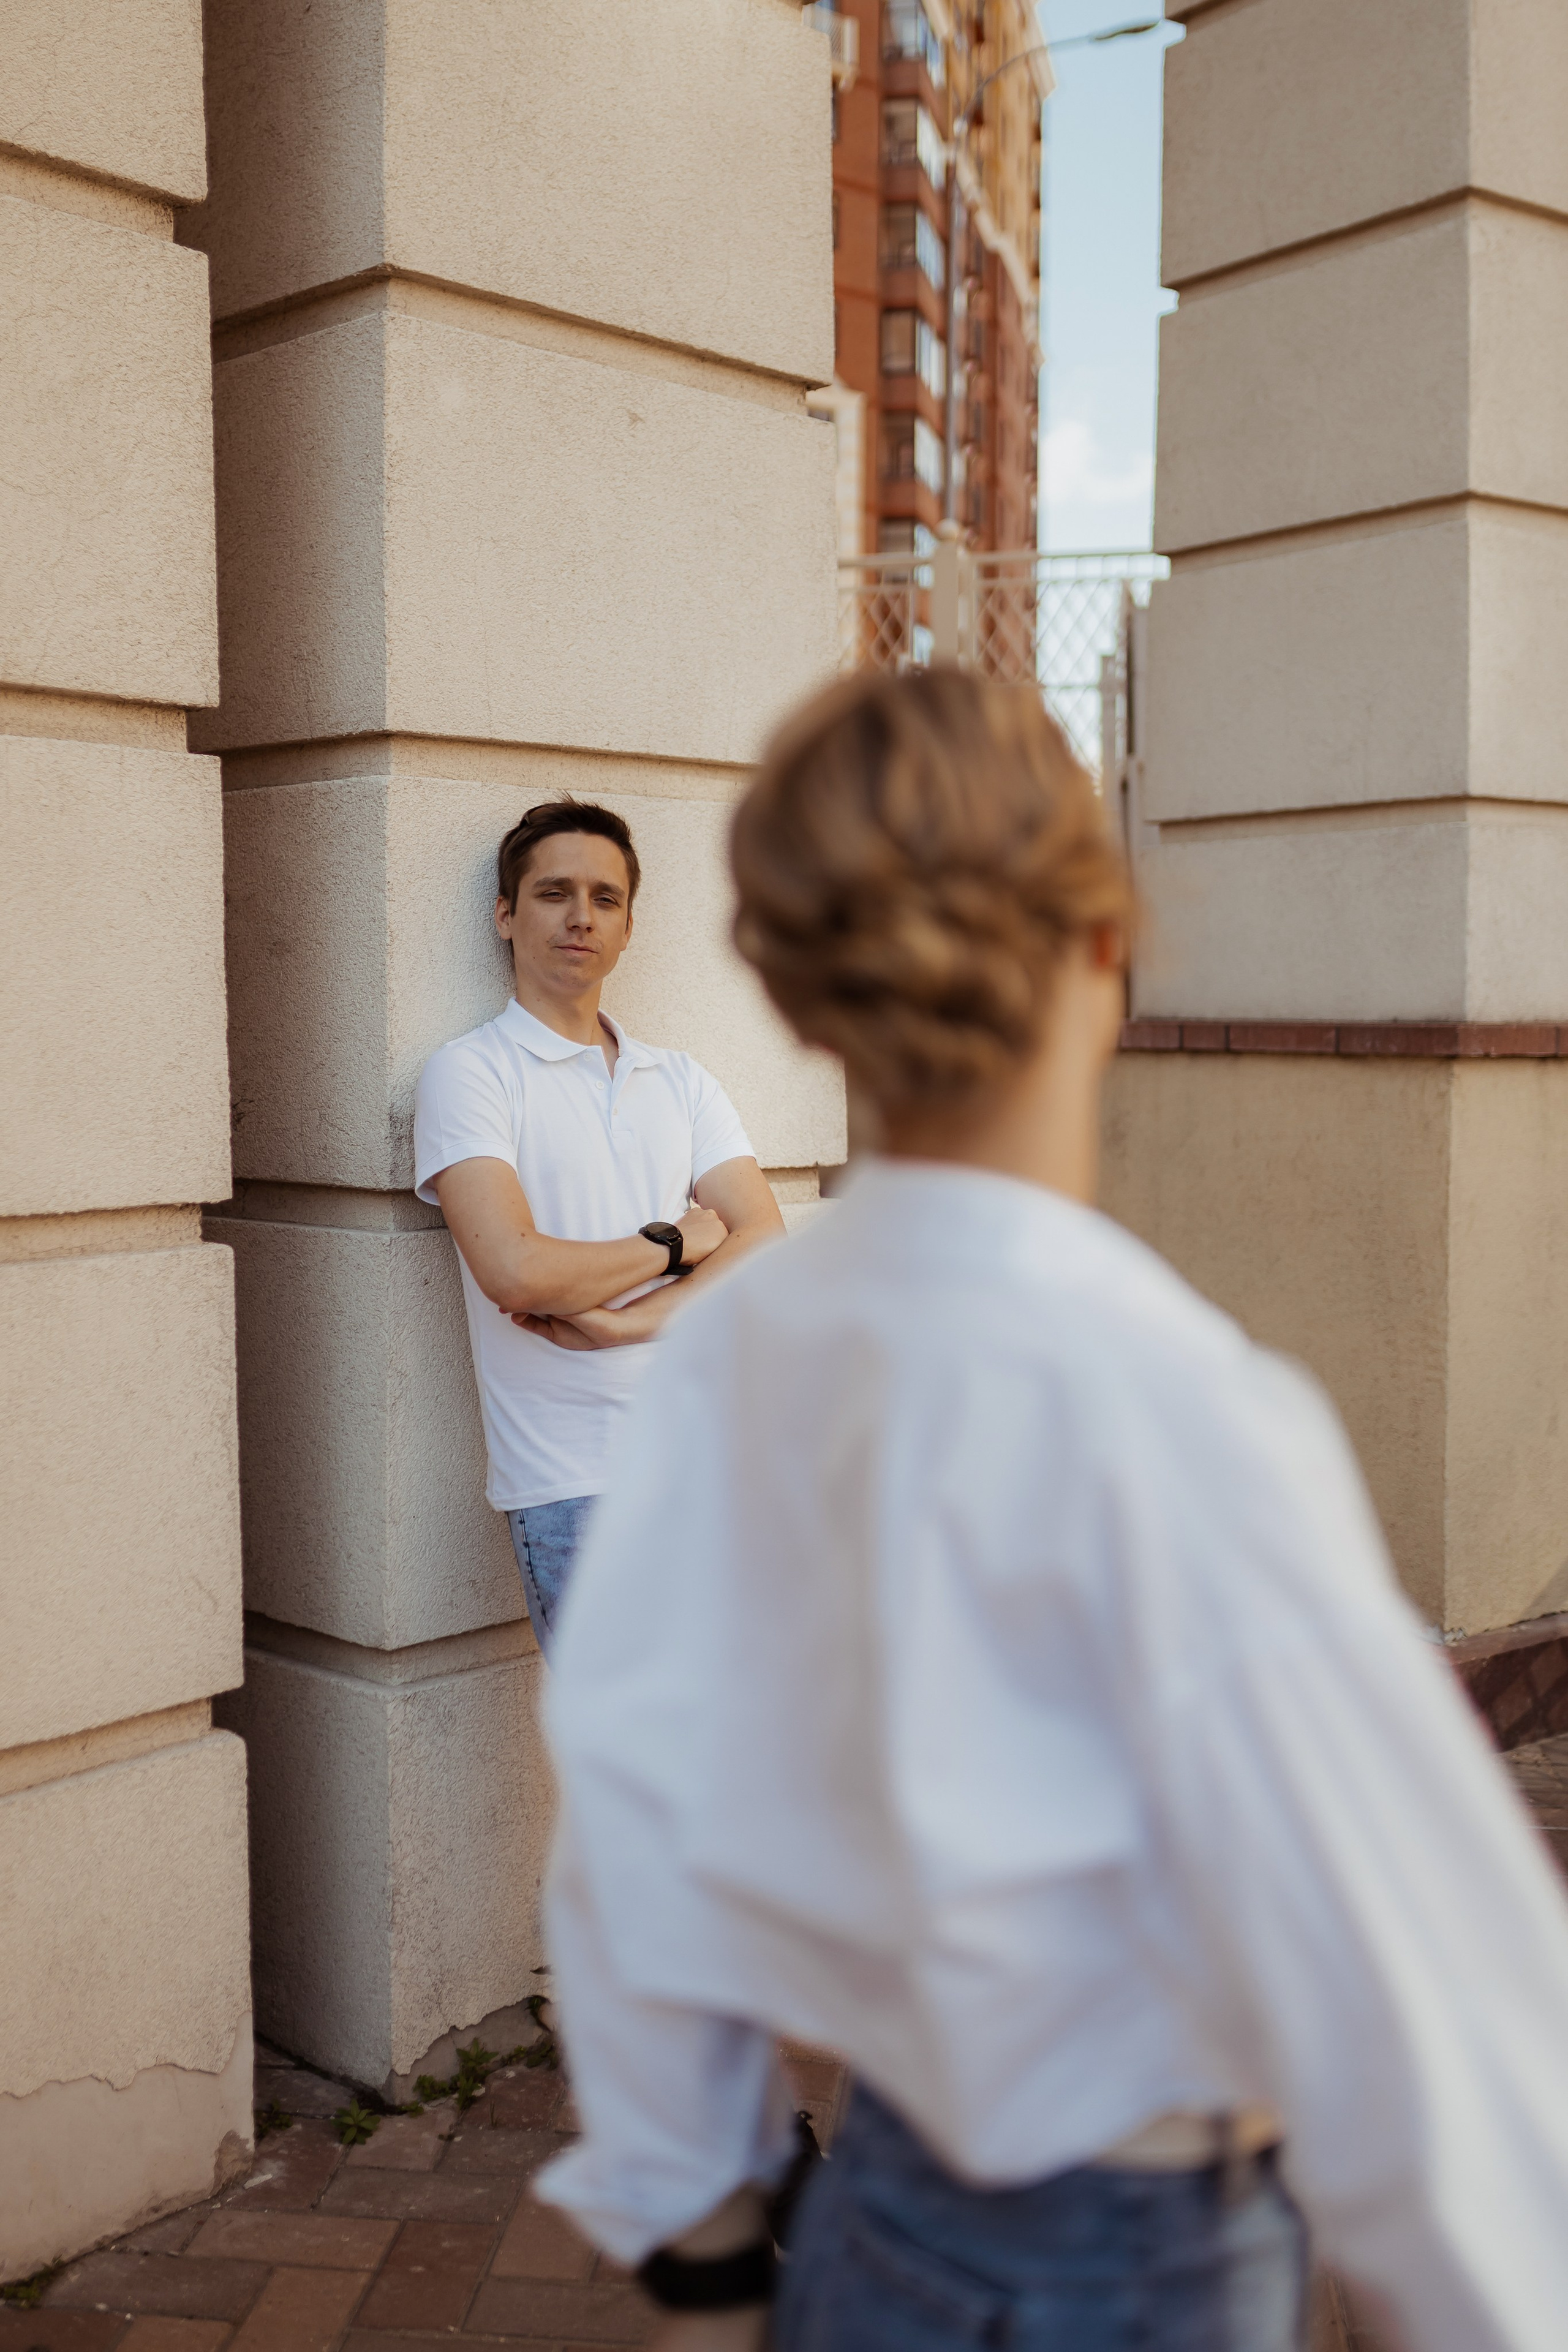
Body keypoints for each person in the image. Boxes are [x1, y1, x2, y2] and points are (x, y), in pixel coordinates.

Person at [530, 671, 1568, 2352]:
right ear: (1106, 949)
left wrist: (712, 2262)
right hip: (1145, 2266)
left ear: (801, 1002)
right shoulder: (1181, 1408)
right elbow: (1422, 2005)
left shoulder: (733, 1365)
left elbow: (635, 1839)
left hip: (875, 2235)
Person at [413, 797, 785, 1657]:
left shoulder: (681, 1080)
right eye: (553, 893)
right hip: (577, 1487)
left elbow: (763, 1243)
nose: (582, 916)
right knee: (637, 1777)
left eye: (606, 899)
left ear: (627, 928)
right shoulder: (472, 1075)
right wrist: (681, 1243)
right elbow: (516, 1269)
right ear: (505, 916)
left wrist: (624, 1324)